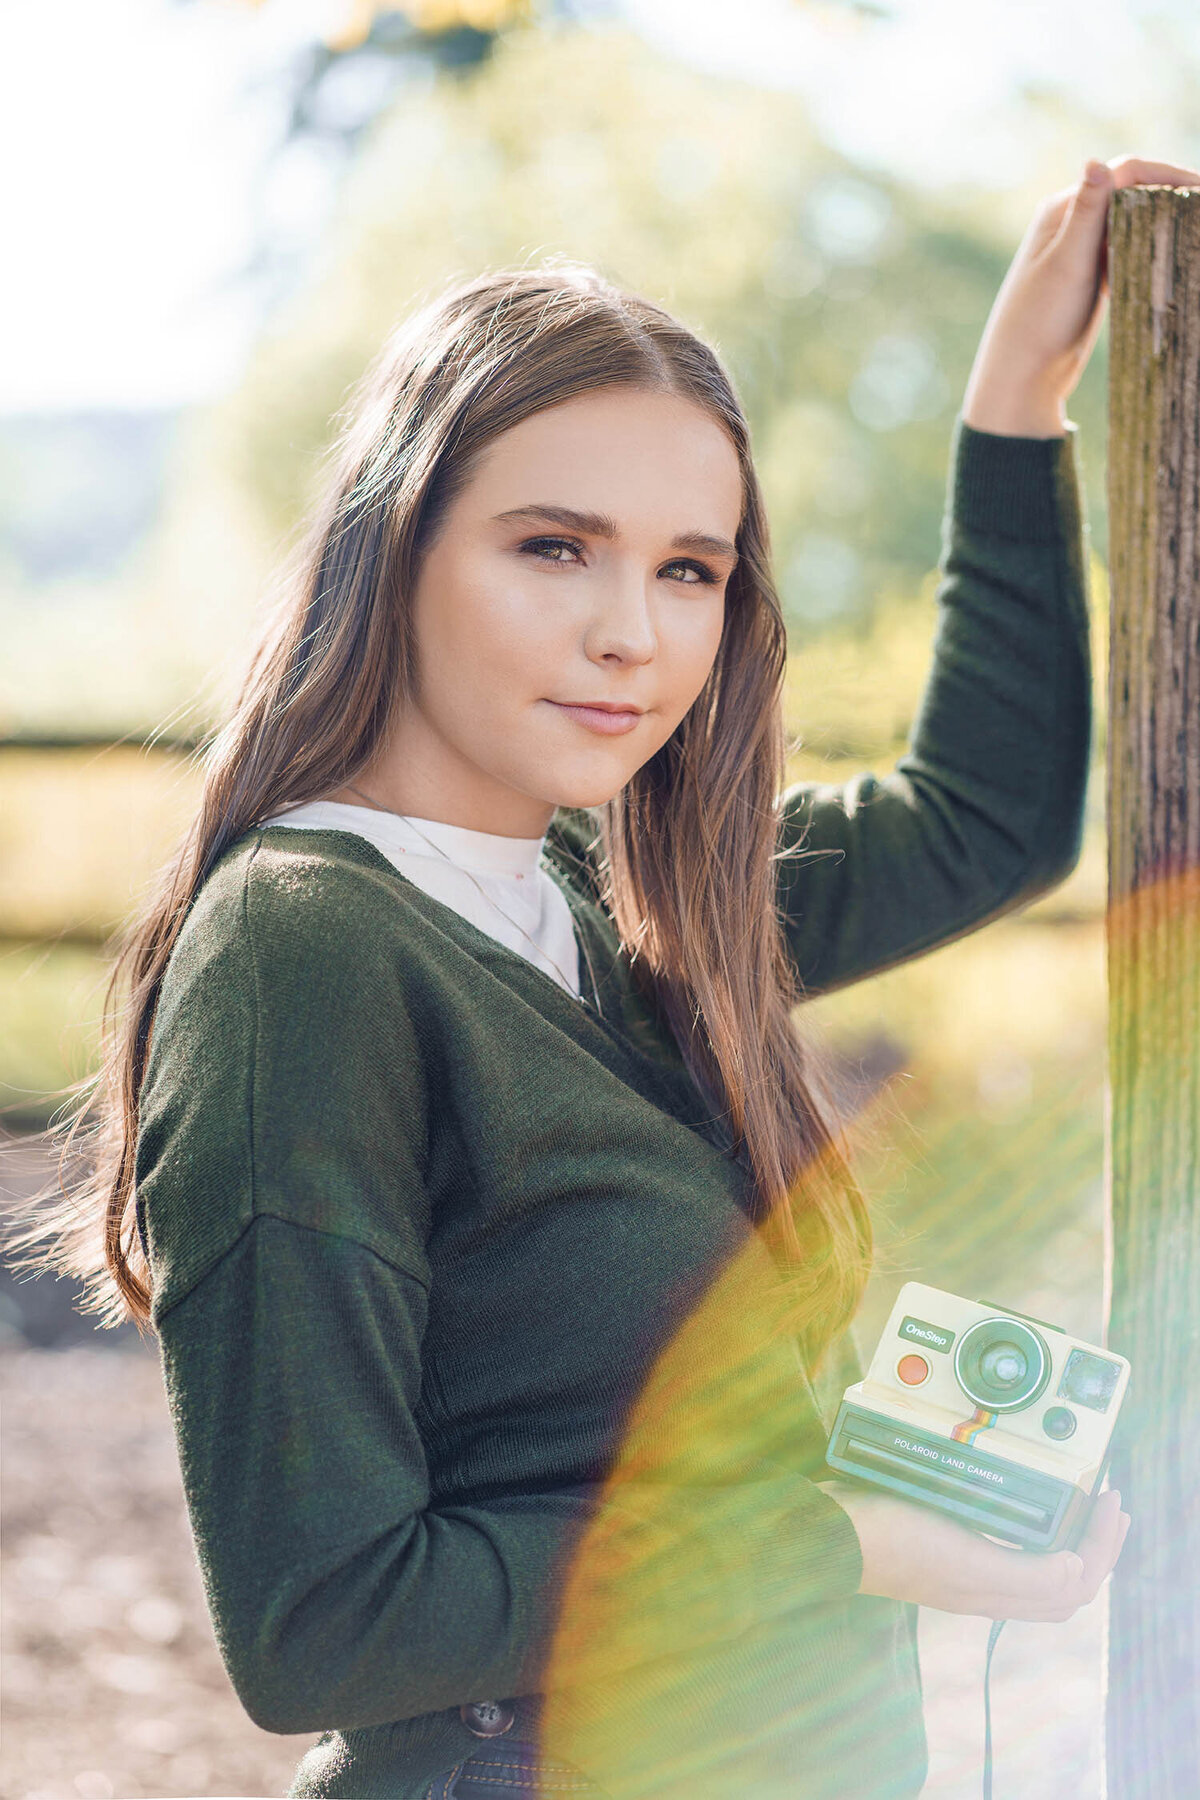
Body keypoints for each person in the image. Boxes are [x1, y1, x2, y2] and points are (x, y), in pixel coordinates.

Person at [14, 150, 1195, 1800]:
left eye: (690, 569)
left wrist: (1015, 414)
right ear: (396, 546)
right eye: (554, 547)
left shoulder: (627, 893)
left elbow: (988, 821)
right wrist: (844, 1541)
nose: (633, 633)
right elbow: (326, 1626)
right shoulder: (306, 952)